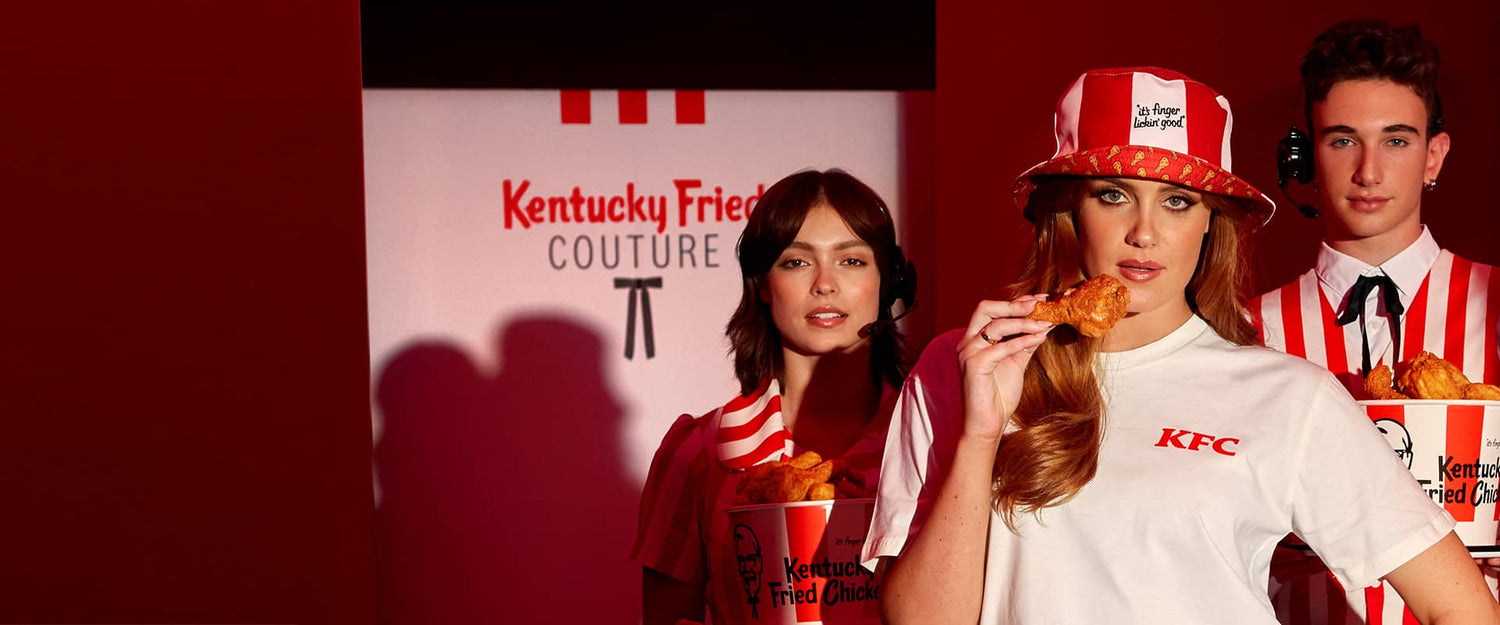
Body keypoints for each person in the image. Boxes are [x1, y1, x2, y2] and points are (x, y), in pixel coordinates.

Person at [861, 66, 1499, 624]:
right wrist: (980, 436)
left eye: (1176, 201)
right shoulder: (961, 366)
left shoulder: (1287, 394)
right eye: (1113, 196)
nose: (1144, 232)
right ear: (1067, 212)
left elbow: (1463, 606)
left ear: (1210, 221)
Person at [1250, 20, 1500, 624]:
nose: (1368, 171)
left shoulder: (1497, 304)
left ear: (1433, 155)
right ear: (1307, 155)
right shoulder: (1244, 330)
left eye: (1396, 140)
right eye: (1342, 140)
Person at [630, 169, 915, 625]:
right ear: (762, 284)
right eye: (796, 262)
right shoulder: (698, 452)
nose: (824, 283)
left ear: (889, 281)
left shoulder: (932, 443)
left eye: (852, 261)